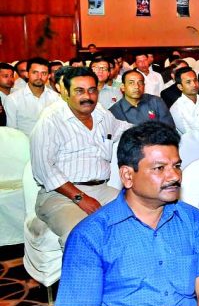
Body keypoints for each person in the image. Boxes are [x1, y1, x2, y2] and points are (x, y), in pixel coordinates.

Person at [56, 122, 199, 306]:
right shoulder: (90, 235)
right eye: (159, 168)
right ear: (127, 175)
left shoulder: (192, 220)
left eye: (176, 166)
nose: (174, 176)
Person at [30, 67, 132, 246]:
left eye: (92, 90)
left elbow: (124, 129)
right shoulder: (51, 120)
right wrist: (80, 198)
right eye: (79, 91)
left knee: (139, 216)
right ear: (65, 93)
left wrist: (154, 130)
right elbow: (44, 169)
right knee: (81, 233)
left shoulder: (102, 115)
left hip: (103, 190)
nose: (88, 96)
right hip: (59, 195)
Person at [5, 57, 58, 134]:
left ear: (49, 76)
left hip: (51, 144)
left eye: (43, 73)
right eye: (35, 72)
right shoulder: (13, 99)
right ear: (27, 74)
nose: (39, 77)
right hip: (25, 144)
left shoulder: (56, 98)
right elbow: (11, 131)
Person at [110, 70, 175, 127]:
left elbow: (169, 128)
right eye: (131, 83)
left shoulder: (156, 101)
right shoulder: (115, 111)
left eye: (140, 83)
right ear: (123, 87)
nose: (136, 86)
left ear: (144, 86)